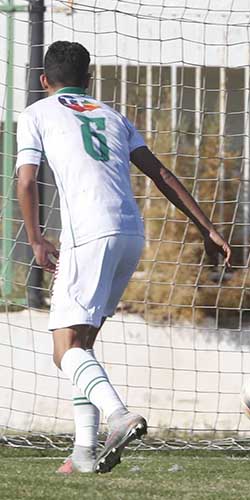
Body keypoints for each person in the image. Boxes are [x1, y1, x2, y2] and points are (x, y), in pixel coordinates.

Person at [15, 41, 231, 474]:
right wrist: (207, 227)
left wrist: (37, 239)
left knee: (64, 351)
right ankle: (82, 454)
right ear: (88, 78)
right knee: (83, 346)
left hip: (88, 234)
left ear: (44, 81)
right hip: (131, 234)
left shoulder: (37, 112)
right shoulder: (112, 115)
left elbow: (26, 181)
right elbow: (162, 174)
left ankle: (118, 415)